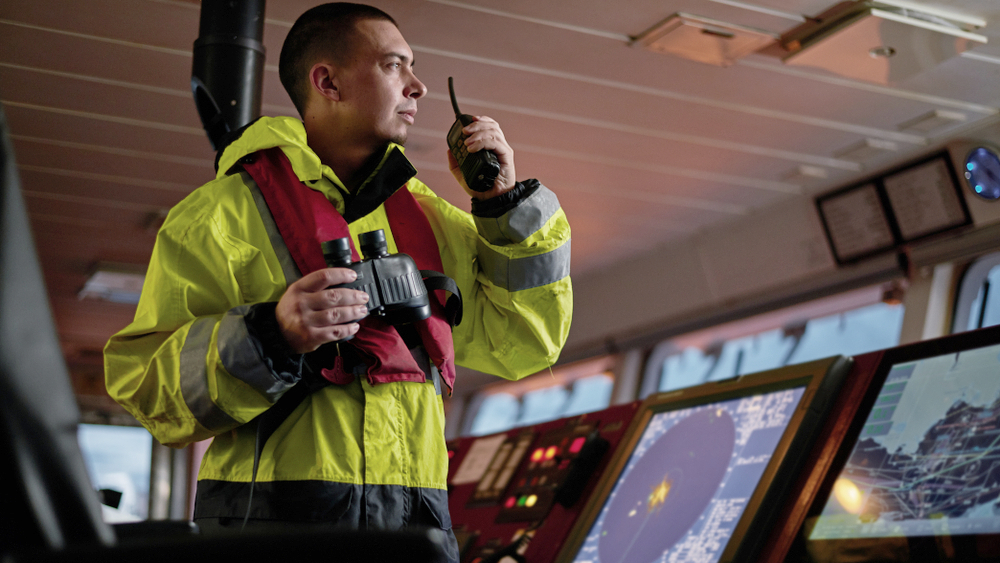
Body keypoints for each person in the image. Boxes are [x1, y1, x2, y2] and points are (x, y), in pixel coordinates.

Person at [104, 2, 571, 560]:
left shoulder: (430, 221)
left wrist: (504, 207)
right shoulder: (215, 218)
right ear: (327, 81)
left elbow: (523, 344)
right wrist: (270, 336)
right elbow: (146, 391)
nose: (418, 86)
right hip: (270, 531)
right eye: (396, 65)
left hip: (413, 533)